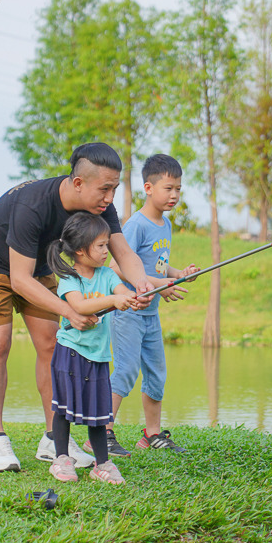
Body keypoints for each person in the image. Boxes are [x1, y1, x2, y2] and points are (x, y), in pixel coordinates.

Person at [0, 142, 175, 473]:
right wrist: (70, 310)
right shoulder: (33, 205)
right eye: (104, 189)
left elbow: (124, 253)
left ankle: (52, 440)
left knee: (50, 343)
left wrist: (143, 285)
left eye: (114, 189)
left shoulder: (98, 207)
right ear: (78, 183)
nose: (110, 198)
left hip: (37, 265)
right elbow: (19, 280)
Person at [102, 154, 199, 455]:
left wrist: (179, 275)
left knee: (156, 373)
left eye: (178, 189)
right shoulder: (136, 225)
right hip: (129, 311)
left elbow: (158, 266)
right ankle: (103, 432)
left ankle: (152, 435)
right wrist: (162, 286)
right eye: (168, 188)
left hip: (151, 315)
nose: (174, 195)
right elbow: (118, 266)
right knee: (127, 371)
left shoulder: (165, 225)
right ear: (148, 187)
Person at [45, 212, 141, 484]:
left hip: (98, 356)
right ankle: (61, 459)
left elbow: (121, 290)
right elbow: (79, 306)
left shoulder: (107, 274)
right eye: (100, 245)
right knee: (63, 408)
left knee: (100, 414)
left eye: (106, 244)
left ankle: (102, 464)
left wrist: (130, 297)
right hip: (70, 352)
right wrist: (112, 298)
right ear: (79, 250)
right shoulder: (69, 278)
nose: (105, 250)